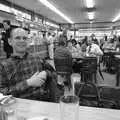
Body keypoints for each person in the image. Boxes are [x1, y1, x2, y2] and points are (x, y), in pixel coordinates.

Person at [0, 28, 60, 102]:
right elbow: (2, 93)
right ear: (10, 41)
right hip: (19, 106)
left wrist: (46, 73)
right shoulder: (4, 66)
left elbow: (54, 73)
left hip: (44, 102)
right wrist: (28, 83)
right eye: (17, 38)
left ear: (28, 41)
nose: (22, 41)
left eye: (24, 38)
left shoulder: (37, 58)